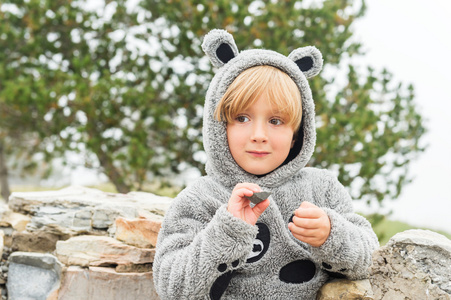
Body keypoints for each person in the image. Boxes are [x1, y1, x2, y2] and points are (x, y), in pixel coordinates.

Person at [153, 29, 379, 300]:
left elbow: (370, 257)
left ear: (297, 133)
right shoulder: (200, 199)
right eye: (242, 118)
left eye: (275, 121)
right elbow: (171, 287)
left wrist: (332, 235)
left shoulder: (322, 189)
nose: (259, 134)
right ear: (218, 126)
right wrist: (227, 231)